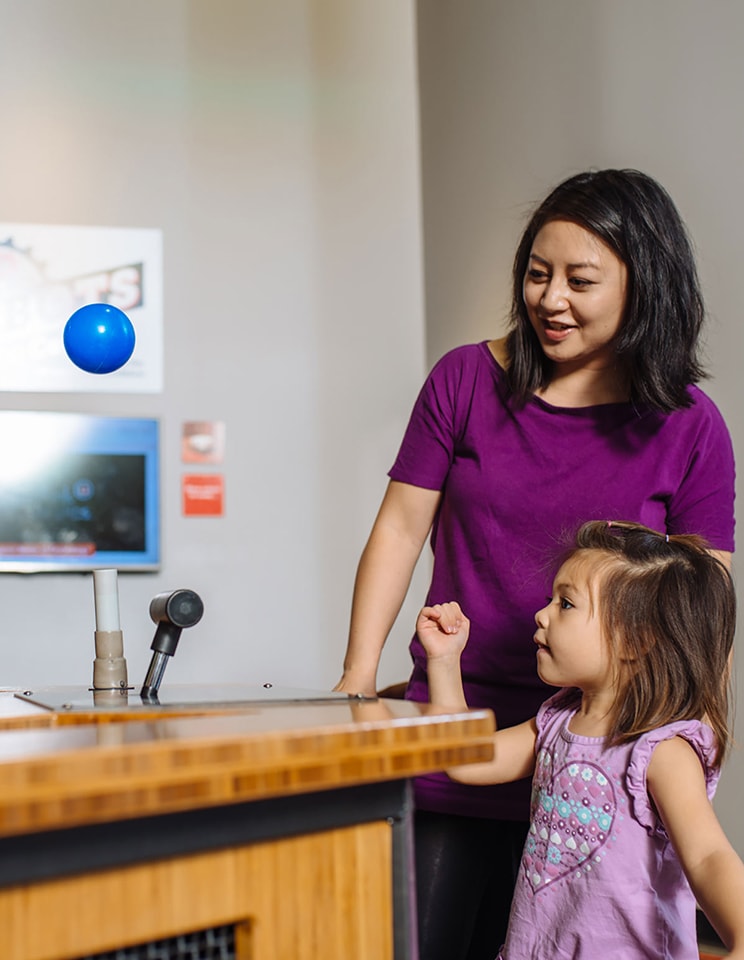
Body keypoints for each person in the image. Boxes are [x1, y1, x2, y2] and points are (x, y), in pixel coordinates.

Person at [334, 169, 736, 959]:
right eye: (537, 273)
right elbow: (398, 530)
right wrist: (355, 678)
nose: (550, 299)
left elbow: (702, 599)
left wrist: (695, 729)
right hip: (463, 725)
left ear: (645, 284)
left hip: (610, 743)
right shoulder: (464, 379)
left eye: (580, 280)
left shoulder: (692, 427)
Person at [417, 520, 744, 959]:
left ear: (635, 639)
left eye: (566, 603)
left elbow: (707, 856)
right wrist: (444, 662)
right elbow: (466, 760)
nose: (542, 613)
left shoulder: (662, 751)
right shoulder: (555, 722)